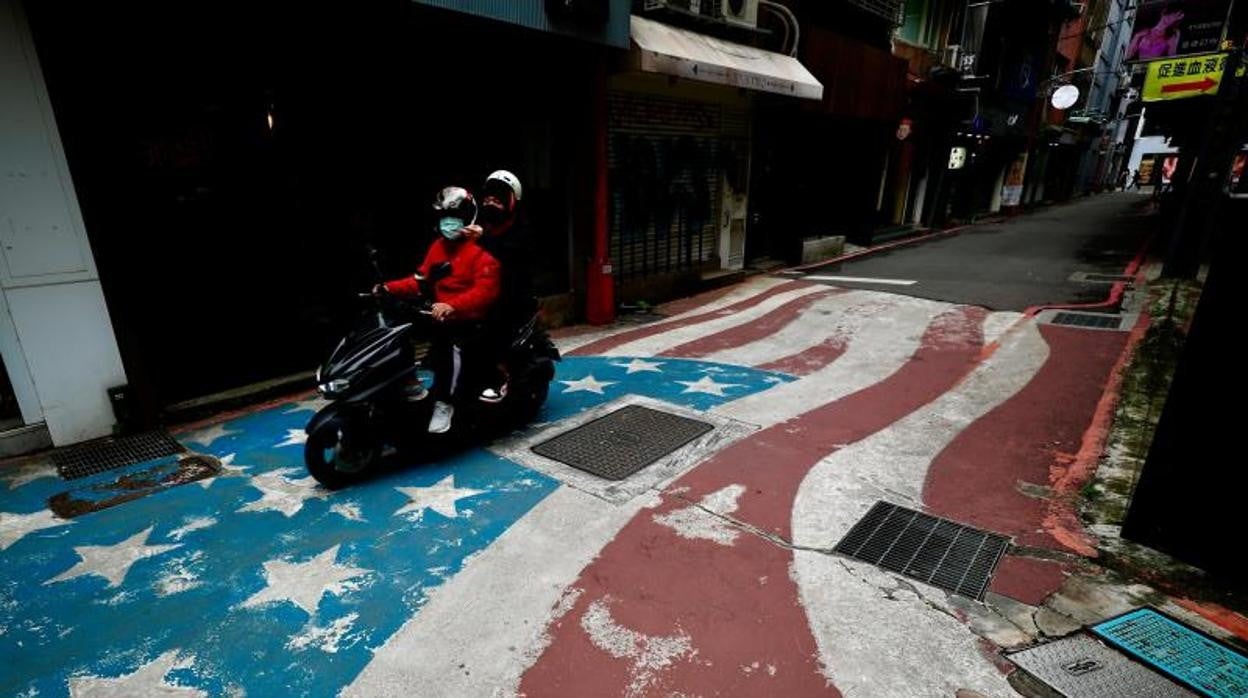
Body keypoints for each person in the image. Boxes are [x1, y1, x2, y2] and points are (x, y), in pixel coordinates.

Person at [377, 186, 500, 432]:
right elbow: (420, 280)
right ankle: (408, 382)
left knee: (450, 348)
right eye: (444, 219)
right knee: (394, 329)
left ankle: (446, 403)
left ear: (467, 220)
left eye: (453, 219)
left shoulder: (481, 252)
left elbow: (485, 292)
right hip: (438, 315)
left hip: (468, 321)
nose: (448, 224)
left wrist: (452, 305)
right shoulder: (438, 247)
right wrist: (388, 288)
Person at [463, 170, 536, 403]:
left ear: (510, 202)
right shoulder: (477, 224)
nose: (490, 204)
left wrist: (483, 238)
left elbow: (510, 256)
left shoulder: (522, 230)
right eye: (487, 199)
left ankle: (500, 376)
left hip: (510, 295)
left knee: (494, 325)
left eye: (497, 200)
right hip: (478, 290)